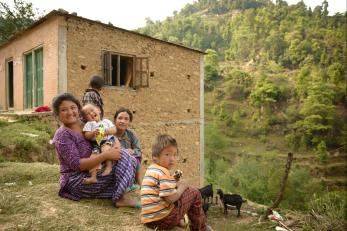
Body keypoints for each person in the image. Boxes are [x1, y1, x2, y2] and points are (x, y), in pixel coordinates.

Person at [52, 92, 140, 208]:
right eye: (64, 110)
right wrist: (106, 155)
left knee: (129, 158)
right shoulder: (62, 135)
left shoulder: (86, 124)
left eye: (73, 108)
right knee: (124, 160)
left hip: (96, 167)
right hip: (76, 179)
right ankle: (120, 197)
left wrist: (114, 148)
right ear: (57, 114)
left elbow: (107, 138)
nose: (70, 112)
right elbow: (76, 165)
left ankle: (119, 189)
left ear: (78, 109)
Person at [140, 134, 213, 231]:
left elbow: (163, 189)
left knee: (183, 193)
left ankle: (179, 221)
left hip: (150, 221)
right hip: (163, 219)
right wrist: (182, 187)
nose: (172, 158)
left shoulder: (152, 169)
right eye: (167, 154)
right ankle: (201, 228)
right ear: (155, 157)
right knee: (194, 193)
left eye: (174, 155)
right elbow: (170, 199)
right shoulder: (163, 172)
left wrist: (174, 181)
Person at [81, 104, 118, 184]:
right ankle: (93, 177)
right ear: (85, 118)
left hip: (107, 140)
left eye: (92, 110)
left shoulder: (106, 121)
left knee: (105, 149)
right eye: (87, 114)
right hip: (96, 144)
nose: (91, 113)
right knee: (93, 158)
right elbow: (86, 135)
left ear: (99, 110)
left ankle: (109, 166)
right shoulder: (89, 124)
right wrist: (92, 133)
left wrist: (106, 132)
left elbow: (114, 130)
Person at [114, 107, 142, 186]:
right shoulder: (109, 133)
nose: (122, 121)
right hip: (113, 162)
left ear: (129, 122)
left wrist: (133, 151)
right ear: (115, 120)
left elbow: (139, 151)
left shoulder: (131, 135)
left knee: (136, 158)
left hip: (128, 163)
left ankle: (137, 182)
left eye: (126, 119)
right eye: (120, 118)